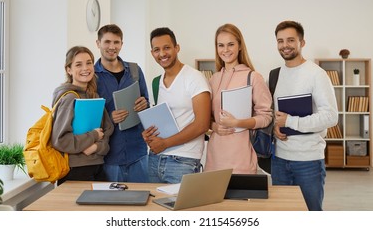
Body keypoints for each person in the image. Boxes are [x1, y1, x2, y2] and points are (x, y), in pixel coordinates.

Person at [271, 20, 338, 211]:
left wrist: (291, 121)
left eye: (291, 40)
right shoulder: (275, 75)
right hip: (280, 160)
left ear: (302, 42)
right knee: (283, 216)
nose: (285, 45)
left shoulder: (317, 74)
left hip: (308, 162)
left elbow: (331, 116)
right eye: (280, 41)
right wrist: (277, 127)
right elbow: (276, 114)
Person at [142, 27, 211, 184]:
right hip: (154, 159)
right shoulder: (156, 82)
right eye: (156, 50)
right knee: (154, 208)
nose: (162, 54)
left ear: (176, 48)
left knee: (182, 208)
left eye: (167, 48)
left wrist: (165, 143)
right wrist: (149, 135)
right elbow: (161, 122)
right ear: (152, 53)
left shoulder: (194, 78)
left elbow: (202, 124)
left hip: (183, 162)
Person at [204, 23, 273, 174]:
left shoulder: (253, 77)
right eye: (221, 45)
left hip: (242, 156)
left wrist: (237, 123)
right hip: (215, 156)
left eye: (230, 44)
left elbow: (266, 117)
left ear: (240, 46)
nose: (225, 50)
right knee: (214, 197)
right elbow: (205, 118)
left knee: (240, 197)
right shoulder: (213, 79)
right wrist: (214, 126)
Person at [94, 24, 150, 183]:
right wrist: (109, 118)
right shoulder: (92, 76)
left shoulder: (134, 70)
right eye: (107, 42)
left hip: (138, 153)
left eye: (116, 42)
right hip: (110, 157)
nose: (112, 47)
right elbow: (89, 119)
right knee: (113, 206)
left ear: (121, 44)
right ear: (98, 43)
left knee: (142, 203)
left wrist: (144, 104)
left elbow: (147, 103)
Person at [51, 46, 114, 185]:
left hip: (96, 167)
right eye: (78, 64)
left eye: (89, 62)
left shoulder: (94, 96)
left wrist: (96, 147)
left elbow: (107, 131)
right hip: (75, 170)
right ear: (69, 70)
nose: (85, 68)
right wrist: (93, 136)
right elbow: (60, 140)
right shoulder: (68, 99)